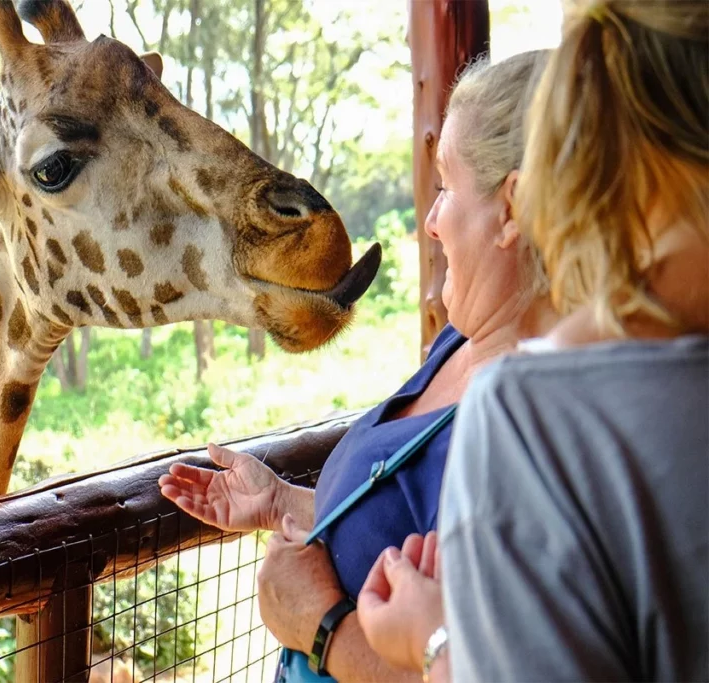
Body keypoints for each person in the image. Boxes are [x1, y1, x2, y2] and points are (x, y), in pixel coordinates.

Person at [158, 49, 557, 681]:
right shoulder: (459, 343)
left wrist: (322, 629)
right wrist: (282, 503)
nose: (430, 222)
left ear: (511, 207)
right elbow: (398, 534)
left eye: (448, 187)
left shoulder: (540, 428)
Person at [357, 1, 709, 681]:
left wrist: (435, 646)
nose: (429, 222)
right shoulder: (467, 365)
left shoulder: (532, 418)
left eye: (447, 187)